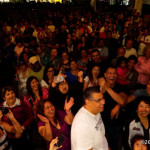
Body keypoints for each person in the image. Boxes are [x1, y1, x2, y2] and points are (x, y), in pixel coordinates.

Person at [99, 67, 127, 150]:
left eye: (114, 73)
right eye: (109, 73)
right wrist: (103, 87)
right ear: (105, 75)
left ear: (117, 76)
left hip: (116, 125)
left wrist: (106, 87)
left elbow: (122, 101)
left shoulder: (121, 87)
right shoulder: (98, 88)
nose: (112, 75)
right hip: (100, 124)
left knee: (115, 146)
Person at [0, 86, 33, 150]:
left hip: (22, 134)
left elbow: (30, 117)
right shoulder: (2, 106)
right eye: (8, 94)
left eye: (12, 93)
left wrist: (23, 127)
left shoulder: (22, 103)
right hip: (8, 136)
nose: (11, 95)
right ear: (4, 97)